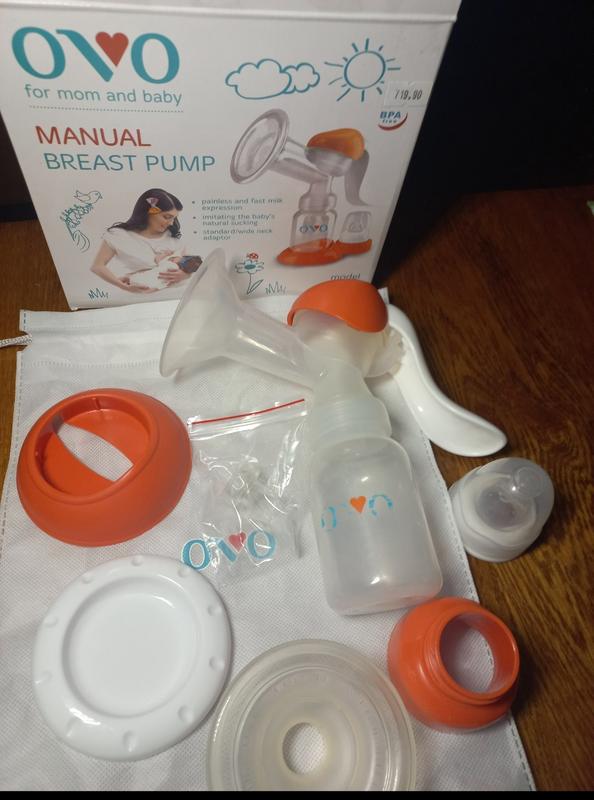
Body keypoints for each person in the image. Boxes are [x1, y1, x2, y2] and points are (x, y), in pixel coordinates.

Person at [90, 189, 199, 293]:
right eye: (167, 217)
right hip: (136, 296)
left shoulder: (173, 239)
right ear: (148, 212)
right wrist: (124, 287)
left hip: (175, 296)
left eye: (174, 218)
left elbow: (194, 265)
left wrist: (185, 275)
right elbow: (97, 267)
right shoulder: (118, 235)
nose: (171, 223)